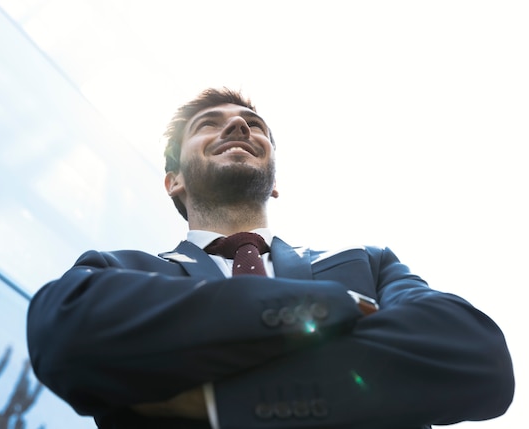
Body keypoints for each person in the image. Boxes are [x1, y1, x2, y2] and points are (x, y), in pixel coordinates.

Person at [26, 88, 515, 429]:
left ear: (275, 180)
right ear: (173, 180)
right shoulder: (120, 272)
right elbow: (66, 335)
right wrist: (337, 308)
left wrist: (221, 402)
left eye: (253, 125)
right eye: (208, 125)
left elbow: (475, 356)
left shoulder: (367, 262)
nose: (237, 123)